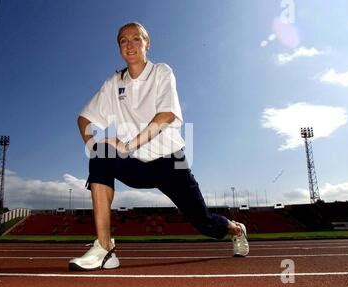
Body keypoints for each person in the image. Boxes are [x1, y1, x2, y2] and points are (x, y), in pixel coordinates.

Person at [69, 22, 249, 271]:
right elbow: (84, 119)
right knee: (100, 156)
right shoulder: (114, 82)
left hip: (170, 161)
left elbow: (166, 116)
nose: (130, 45)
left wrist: (127, 144)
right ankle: (104, 248)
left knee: (203, 222)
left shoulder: (161, 72)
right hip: (135, 164)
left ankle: (235, 229)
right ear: (119, 47)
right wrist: (93, 144)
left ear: (147, 44)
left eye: (136, 39)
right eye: (123, 40)